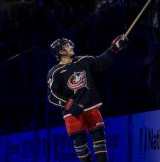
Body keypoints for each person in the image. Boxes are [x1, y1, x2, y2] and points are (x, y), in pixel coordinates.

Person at [47, 34, 128, 162]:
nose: (71, 47)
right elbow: (52, 95)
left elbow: (100, 61)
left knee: (99, 137)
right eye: (67, 46)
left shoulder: (82, 61)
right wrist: (69, 104)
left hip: (91, 106)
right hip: (72, 113)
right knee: (80, 143)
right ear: (61, 52)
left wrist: (114, 48)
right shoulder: (55, 72)